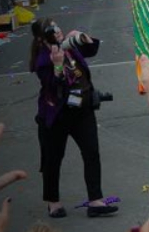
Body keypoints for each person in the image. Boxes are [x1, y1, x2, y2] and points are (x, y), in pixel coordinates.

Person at [29, 17, 117, 218]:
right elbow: (53, 85)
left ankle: (95, 200)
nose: (58, 31)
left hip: (81, 110)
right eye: (52, 29)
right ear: (43, 39)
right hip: (56, 115)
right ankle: (53, 202)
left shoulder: (68, 46)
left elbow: (91, 49)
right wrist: (58, 65)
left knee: (91, 152)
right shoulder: (43, 59)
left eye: (57, 26)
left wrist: (82, 37)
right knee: (53, 159)